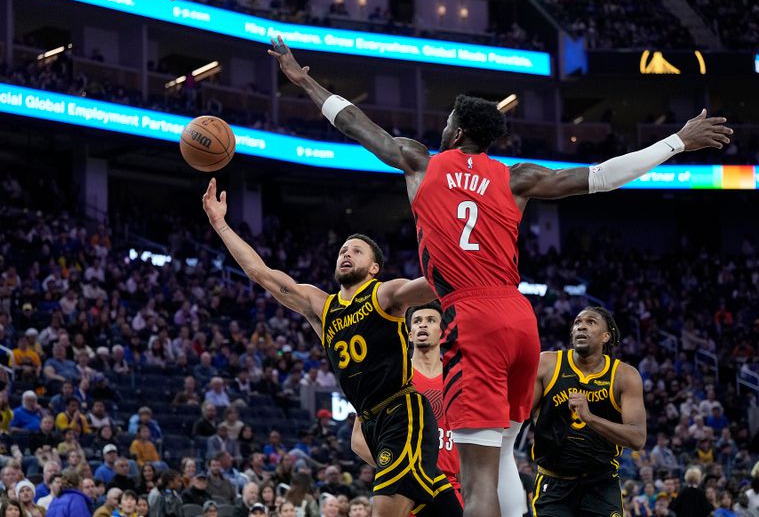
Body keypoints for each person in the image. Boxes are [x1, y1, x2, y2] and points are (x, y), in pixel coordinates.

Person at [268, 34, 732, 517]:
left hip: (472, 320)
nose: (443, 124)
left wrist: (305, 82)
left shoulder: (420, 162)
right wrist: (677, 141)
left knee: (477, 482)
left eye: (448, 118)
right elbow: (600, 176)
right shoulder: (516, 177)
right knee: (503, 447)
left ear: (457, 129)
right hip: (519, 319)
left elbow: (357, 126)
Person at [202, 181, 461, 517]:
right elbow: (260, 274)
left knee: (385, 509)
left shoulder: (384, 295)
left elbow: (433, 286)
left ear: (373, 267)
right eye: (342, 250)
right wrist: (220, 224)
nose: (346, 254)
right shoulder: (322, 308)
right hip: (372, 422)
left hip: (401, 410)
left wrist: (464, 254)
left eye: (356, 250)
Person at [530, 307, 647, 516]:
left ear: (606, 336)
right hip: (554, 483)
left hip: (601, 484)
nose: (581, 326)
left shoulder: (624, 376)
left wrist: (590, 418)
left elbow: (637, 438)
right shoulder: (547, 364)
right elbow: (517, 416)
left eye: (591, 322)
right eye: (577, 322)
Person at [407, 301, 461, 502]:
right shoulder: (394, 376)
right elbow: (358, 440)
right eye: (417, 321)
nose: (422, 325)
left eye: (431, 320)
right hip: (404, 483)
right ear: (410, 334)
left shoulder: (458, 377)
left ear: (442, 332)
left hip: (449, 484)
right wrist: (391, 467)